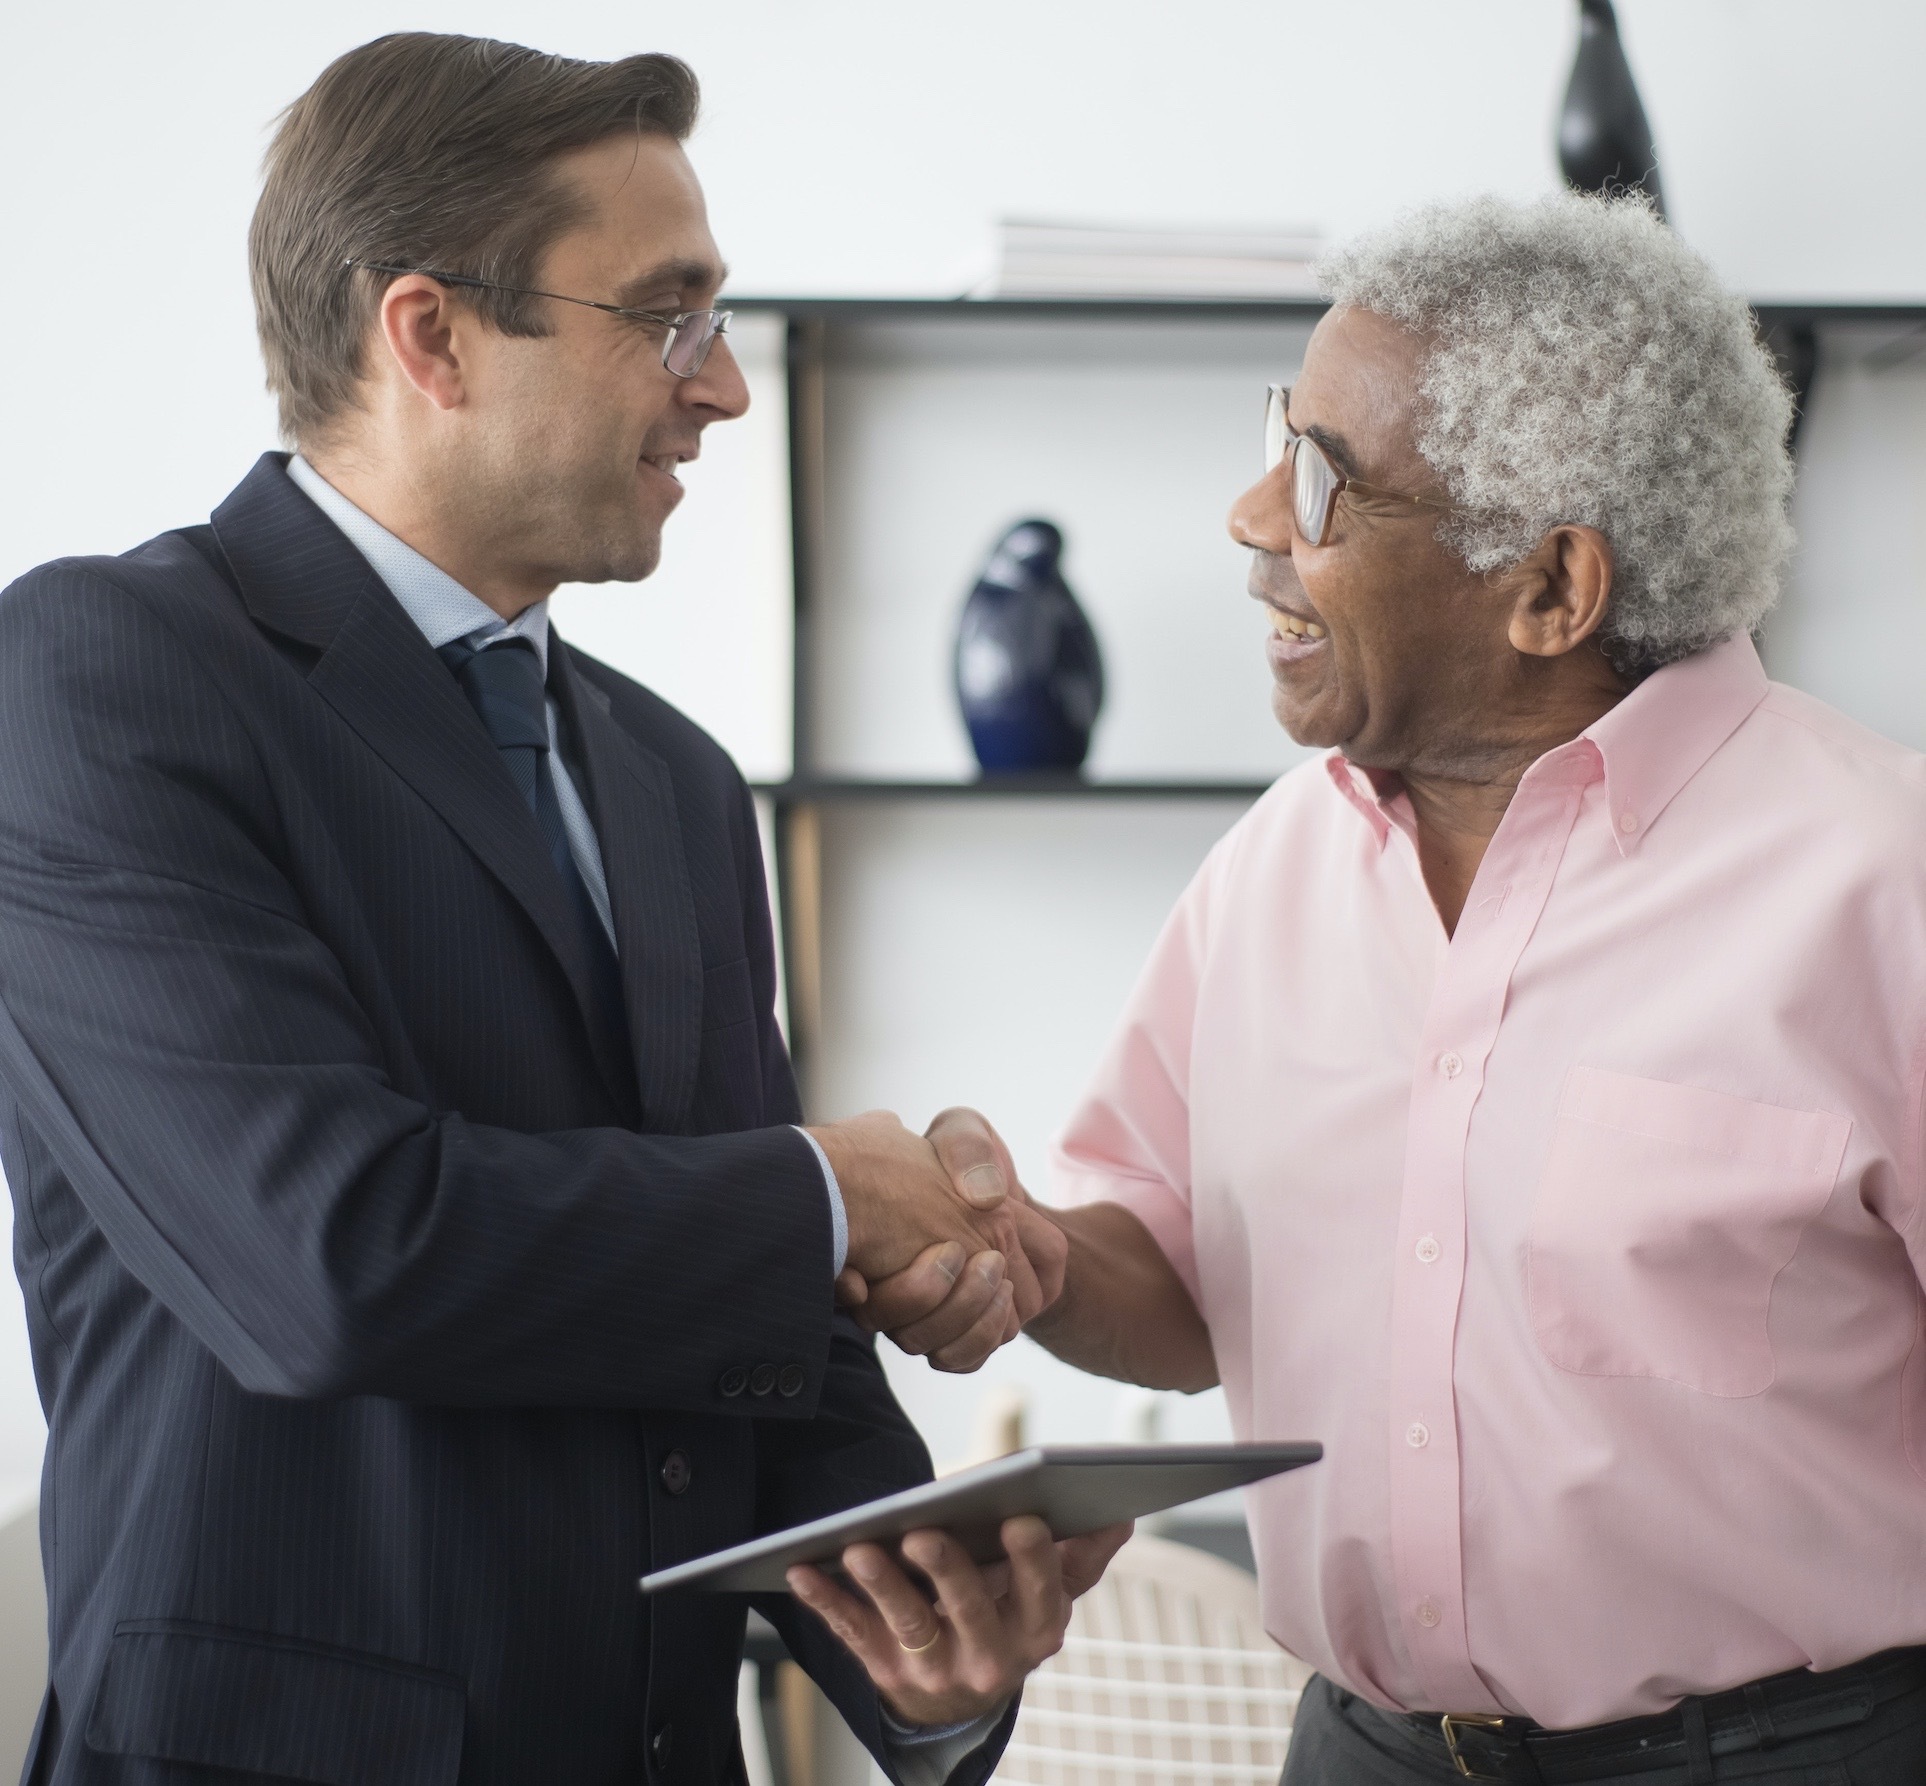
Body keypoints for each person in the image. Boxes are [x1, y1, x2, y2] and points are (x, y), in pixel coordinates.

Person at [0, 34, 1123, 1786]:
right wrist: (829, 1189)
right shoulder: (99, 673)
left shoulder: (673, 777)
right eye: (667, 315)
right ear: (429, 333)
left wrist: (925, 1643)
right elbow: (332, 1256)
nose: (725, 385)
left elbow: (762, 1331)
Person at [866, 193, 1926, 1784]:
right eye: (1274, 436)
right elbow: (1179, 1279)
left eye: (1323, 481)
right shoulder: (1271, 868)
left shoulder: (1877, 877)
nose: (1246, 517)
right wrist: (1031, 1254)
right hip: (1361, 1750)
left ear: (1551, 589)